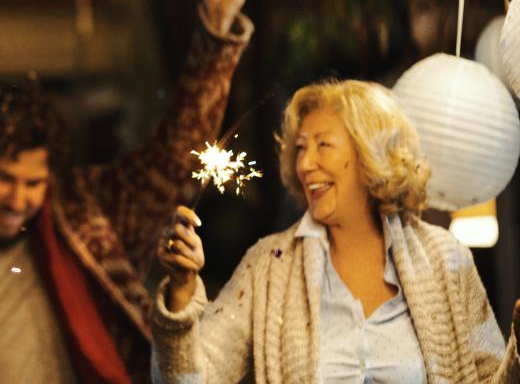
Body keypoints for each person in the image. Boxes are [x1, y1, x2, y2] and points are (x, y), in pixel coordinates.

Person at [0, 0, 252, 382]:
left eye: (33, 182)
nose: (18, 198)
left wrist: (216, 31)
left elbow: (174, 158)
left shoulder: (90, 217)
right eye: (5, 177)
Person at [152, 80, 520, 383]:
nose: (305, 164)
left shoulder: (445, 259)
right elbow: (190, 379)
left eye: (323, 145)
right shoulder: (268, 267)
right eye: (300, 148)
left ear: (368, 154)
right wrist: (183, 292)